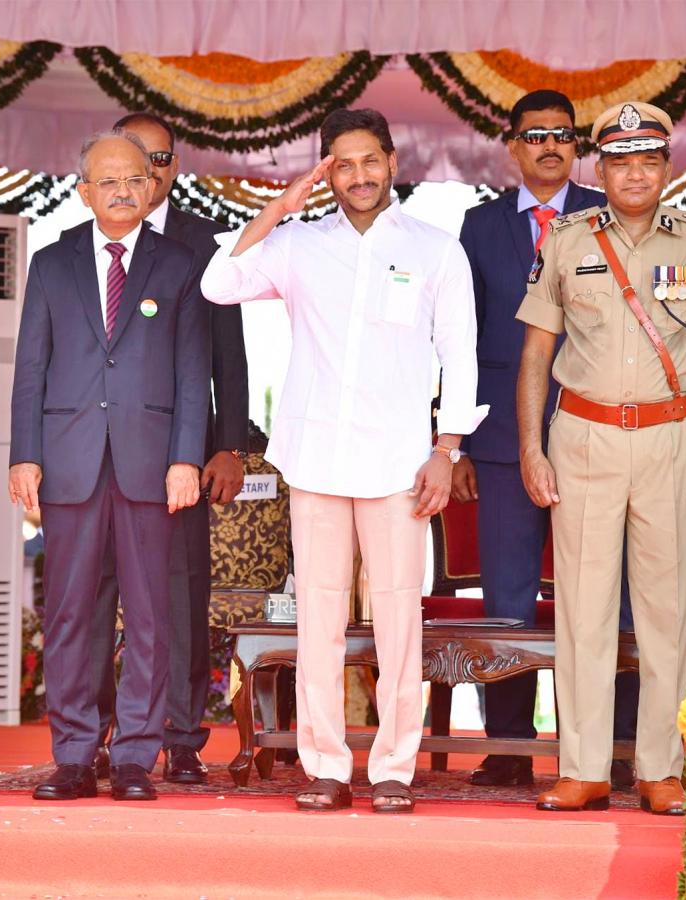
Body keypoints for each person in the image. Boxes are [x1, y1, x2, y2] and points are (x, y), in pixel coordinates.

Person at [201, 108, 486, 813]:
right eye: (342, 164)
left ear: (392, 162)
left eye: (370, 160)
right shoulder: (298, 245)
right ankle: (324, 765)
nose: (358, 175)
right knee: (318, 622)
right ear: (325, 170)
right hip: (317, 458)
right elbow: (218, 283)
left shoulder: (434, 250)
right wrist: (277, 208)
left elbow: (461, 352)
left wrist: (447, 449)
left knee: (398, 621)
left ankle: (393, 767)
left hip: (399, 464)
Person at [516, 101, 686, 813]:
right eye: (621, 161)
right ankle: (582, 768)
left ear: (666, 169)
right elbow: (535, 354)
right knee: (581, 611)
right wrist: (531, 445)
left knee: (662, 609)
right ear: (602, 169)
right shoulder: (567, 237)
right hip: (581, 438)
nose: (636, 173)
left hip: (672, 442)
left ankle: (659, 768)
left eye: (649, 160)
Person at [9, 129, 211, 801]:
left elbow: (192, 374)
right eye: (110, 181)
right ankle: (72, 754)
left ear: (153, 186)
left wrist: (187, 457)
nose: (125, 189)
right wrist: (24, 456)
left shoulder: (179, 265)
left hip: (152, 468)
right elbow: (30, 370)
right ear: (85, 191)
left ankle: (132, 757)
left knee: (149, 614)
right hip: (67, 464)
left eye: (136, 179)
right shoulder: (51, 263)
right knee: (70, 613)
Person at [453, 89, 638, 788]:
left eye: (562, 134)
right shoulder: (480, 228)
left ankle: (614, 748)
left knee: (608, 593)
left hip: (600, 434)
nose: (550, 146)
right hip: (502, 440)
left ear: (578, 146)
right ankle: (507, 746)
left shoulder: (611, 215)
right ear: (512, 146)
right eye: (535, 136)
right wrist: (459, 442)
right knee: (507, 596)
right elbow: (459, 341)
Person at [89, 112, 249, 786]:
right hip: (96, 456)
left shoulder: (202, 242)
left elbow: (228, 359)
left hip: (182, 452)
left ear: (173, 167)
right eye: (135, 158)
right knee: (97, 595)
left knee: (179, 596)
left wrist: (229, 446)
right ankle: (97, 732)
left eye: (160, 160)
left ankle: (181, 736)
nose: (147, 173)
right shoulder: (81, 245)